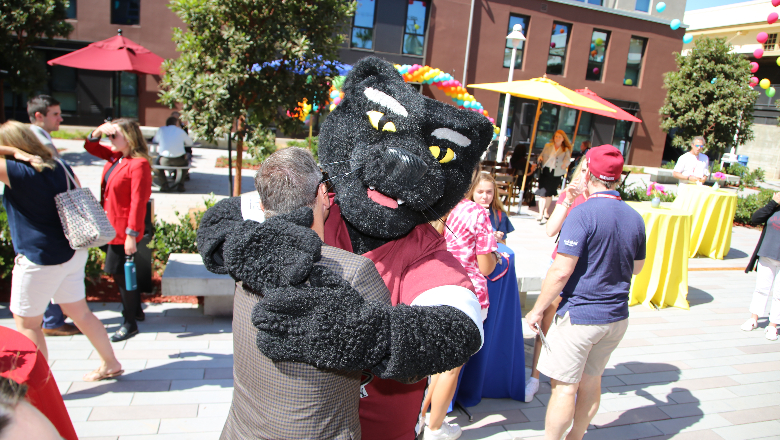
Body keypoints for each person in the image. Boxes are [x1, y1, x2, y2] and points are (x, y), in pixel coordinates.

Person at [221, 147, 393, 440]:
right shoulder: (353, 272)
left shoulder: (247, 259)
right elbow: (389, 354)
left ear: (263, 206)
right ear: (324, 194)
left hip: (240, 431)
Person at [525, 145, 646, 440]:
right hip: (616, 317)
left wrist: (537, 309)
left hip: (581, 316)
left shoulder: (584, 214)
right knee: (592, 381)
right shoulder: (635, 217)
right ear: (618, 178)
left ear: (588, 172)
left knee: (564, 388)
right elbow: (637, 268)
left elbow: (561, 271)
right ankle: (576, 436)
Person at [0, 121, 123, 381]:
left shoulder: (14, 170)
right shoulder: (59, 166)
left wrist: (11, 153)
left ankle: (41, 386)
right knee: (81, 313)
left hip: (39, 258)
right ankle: (110, 362)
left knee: (28, 324)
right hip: (72, 251)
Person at [419, 177, 498, 440]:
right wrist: (495, 255)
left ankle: (422, 418)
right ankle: (436, 428)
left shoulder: (435, 206)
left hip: (433, 286)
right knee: (452, 367)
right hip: (467, 292)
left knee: (435, 365)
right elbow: (486, 267)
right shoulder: (475, 212)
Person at [525, 157, 590, 402]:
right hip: (560, 265)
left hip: (586, 272)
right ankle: (534, 377)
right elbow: (550, 230)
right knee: (545, 322)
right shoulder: (569, 194)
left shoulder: (601, 199)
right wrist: (569, 200)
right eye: (583, 170)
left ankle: (569, 382)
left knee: (576, 331)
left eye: (589, 171)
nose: (585, 176)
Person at [84, 119, 152, 342]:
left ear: (130, 138)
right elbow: (91, 146)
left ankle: (129, 322)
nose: (110, 140)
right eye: (110, 136)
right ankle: (137, 311)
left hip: (124, 232)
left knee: (122, 276)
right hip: (112, 228)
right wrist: (98, 131)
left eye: (115, 136)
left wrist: (132, 234)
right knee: (124, 274)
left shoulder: (138, 163)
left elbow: (138, 201)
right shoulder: (117, 157)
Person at [26, 94, 80, 337]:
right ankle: (52, 319)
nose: (60, 118)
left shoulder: (39, 136)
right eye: (55, 114)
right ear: (39, 116)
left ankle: (54, 317)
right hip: (45, 213)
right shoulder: (32, 137)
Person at [741, 191, 780, 341]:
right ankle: (753, 319)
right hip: (766, 255)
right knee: (761, 289)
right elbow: (755, 219)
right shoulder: (774, 207)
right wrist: (773, 203)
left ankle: (773, 325)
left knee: (779, 295)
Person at [535, 130, 572, 224]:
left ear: (563, 139)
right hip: (546, 170)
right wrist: (540, 158)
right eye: (556, 136)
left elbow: (567, 160)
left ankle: (546, 211)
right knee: (543, 192)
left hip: (557, 172)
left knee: (550, 193)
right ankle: (540, 213)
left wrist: (564, 164)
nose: (557, 138)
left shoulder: (565, 149)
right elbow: (542, 154)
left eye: (560, 137)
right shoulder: (548, 146)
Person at [468, 171, 514, 244]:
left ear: (494, 193)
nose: (485, 197)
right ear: (472, 192)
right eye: (480, 192)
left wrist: (497, 239)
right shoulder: (463, 212)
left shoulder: (500, 215)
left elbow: (504, 245)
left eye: (489, 192)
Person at [152, 116, 193, 192]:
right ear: (177, 123)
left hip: (164, 159)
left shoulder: (162, 129)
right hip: (179, 159)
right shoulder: (180, 131)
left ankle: (164, 184)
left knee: (156, 166)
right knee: (186, 164)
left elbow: (155, 140)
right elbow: (190, 142)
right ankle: (180, 184)